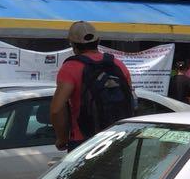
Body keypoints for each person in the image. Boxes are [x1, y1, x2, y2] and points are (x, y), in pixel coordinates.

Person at [51, 21, 134, 152]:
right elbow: (131, 98)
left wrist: (61, 139)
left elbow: (56, 109)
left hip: (83, 139)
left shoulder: (70, 68)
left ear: (72, 44)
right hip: (115, 137)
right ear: (98, 40)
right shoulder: (118, 65)